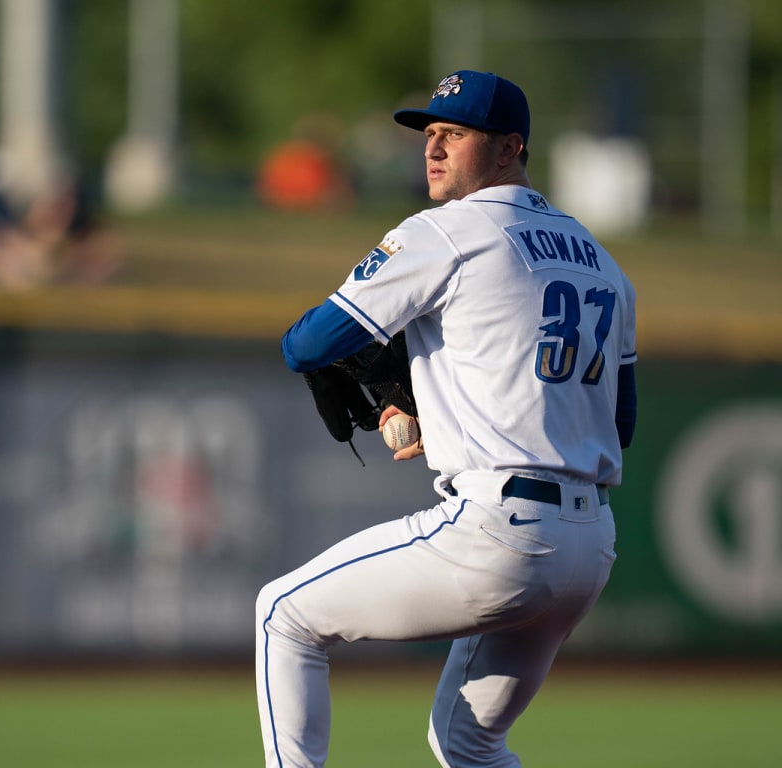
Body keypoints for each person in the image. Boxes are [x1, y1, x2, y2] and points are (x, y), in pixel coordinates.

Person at [256, 70, 638, 767]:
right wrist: (451, 403)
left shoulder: (450, 231)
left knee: (284, 617)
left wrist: (381, 380)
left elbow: (306, 344)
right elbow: (622, 422)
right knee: (467, 741)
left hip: (499, 533)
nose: (431, 149)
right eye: (428, 134)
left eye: (454, 135)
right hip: (589, 546)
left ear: (508, 148)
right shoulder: (602, 261)